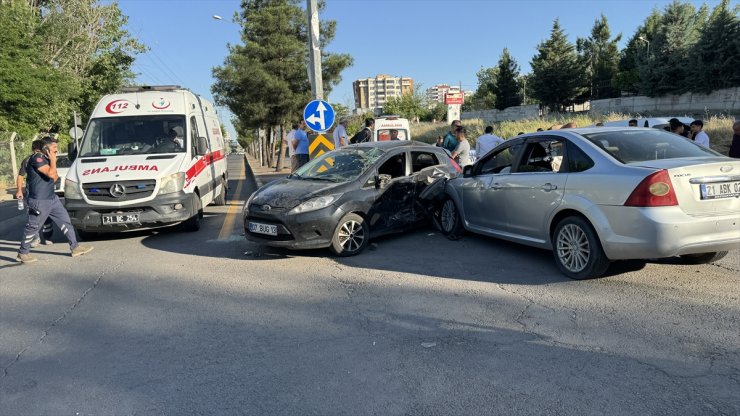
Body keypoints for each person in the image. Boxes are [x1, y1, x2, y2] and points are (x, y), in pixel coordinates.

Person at [17, 136, 93, 263]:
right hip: (39, 201)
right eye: (54, 147)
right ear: (46, 148)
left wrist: (52, 161)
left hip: (52, 199)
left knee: (65, 221)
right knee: (33, 226)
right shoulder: (37, 158)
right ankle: (23, 253)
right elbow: (52, 174)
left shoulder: (45, 159)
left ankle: (75, 247)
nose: (56, 149)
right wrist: (53, 160)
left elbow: (55, 177)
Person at [16, 139, 54, 247]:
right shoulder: (27, 160)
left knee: (46, 215)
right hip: (32, 194)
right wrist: (19, 191)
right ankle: (36, 238)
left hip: (44, 193)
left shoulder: (46, 158)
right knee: (33, 217)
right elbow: (20, 176)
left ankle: (47, 237)